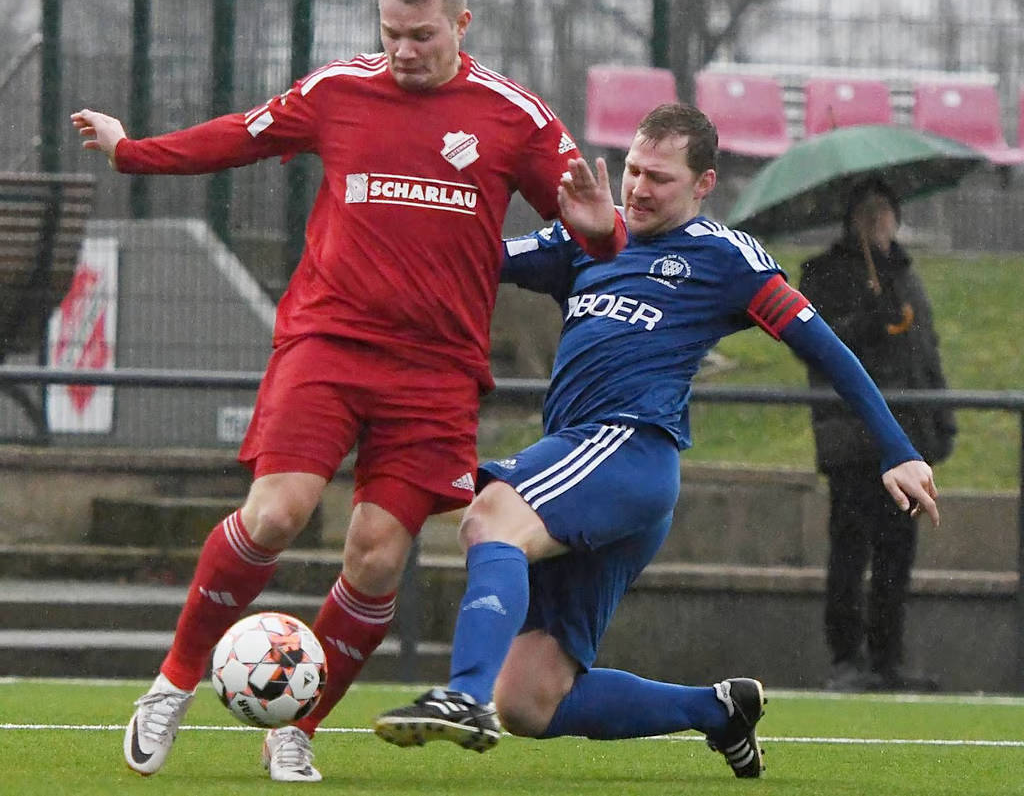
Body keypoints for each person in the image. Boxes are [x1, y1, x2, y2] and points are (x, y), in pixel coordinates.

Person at [71, 0, 624, 783]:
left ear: (461, 24)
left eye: (423, 36)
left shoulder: (515, 116)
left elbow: (595, 231)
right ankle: (174, 681)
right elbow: (241, 135)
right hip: (327, 343)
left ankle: (299, 725)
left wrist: (600, 225)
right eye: (392, 32)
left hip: (436, 371)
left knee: (375, 554)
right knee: (276, 512)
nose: (404, 50)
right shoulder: (338, 90)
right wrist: (131, 150)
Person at [373, 104, 940, 779]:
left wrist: (897, 449)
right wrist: (399, 226)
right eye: (633, 170)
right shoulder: (588, 238)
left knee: (489, 516)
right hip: (586, 471)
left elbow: (831, 351)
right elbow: (477, 261)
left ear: (703, 184)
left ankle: (462, 694)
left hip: (628, 452)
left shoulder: (725, 258)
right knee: (529, 699)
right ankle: (716, 710)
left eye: (659, 178)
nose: (638, 188)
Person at [798, 179, 955, 693]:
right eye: (866, 210)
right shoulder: (822, 273)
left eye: (885, 210)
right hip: (851, 440)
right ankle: (846, 657)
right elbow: (816, 345)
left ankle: (888, 658)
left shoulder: (905, 276)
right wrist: (865, 317)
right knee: (850, 547)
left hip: (907, 441)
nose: (877, 219)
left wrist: (941, 420)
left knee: (897, 551)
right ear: (850, 218)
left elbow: (924, 354)